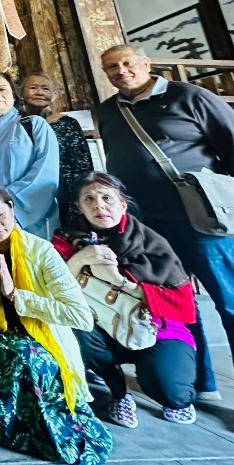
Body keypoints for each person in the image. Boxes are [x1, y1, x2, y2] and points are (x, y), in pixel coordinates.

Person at [96, 43, 234, 437]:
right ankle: (200, 381)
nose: (121, 71)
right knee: (176, 304)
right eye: (112, 67)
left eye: (128, 63)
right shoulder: (109, 111)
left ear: (146, 63)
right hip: (150, 227)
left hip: (204, 221)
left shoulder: (189, 97)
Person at [0, 177, 110, 464]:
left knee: (29, 358)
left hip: (38, 337)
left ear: (11, 207)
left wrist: (15, 295)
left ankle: (39, 432)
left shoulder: (41, 251)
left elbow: (80, 316)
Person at [53, 173, 198, 428]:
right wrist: (80, 259)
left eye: (107, 198)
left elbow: (182, 303)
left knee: (174, 395)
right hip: (101, 326)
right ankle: (119, 392)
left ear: (123, 204)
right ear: (79, 207)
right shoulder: (67, 239)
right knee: (74, 329)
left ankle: (163, 380)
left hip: (154, 326)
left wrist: (123, 282)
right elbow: (52, 290)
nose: (99, 205)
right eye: (89, 199)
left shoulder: (151, 242)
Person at [0, 71, 60, 239]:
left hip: (33, 212)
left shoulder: (33, 124)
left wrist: (4, 202)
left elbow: (45, 170)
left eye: (2, 89)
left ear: (14, 95)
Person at [22, 73, 93, 228]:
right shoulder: (18, 125)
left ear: (53, 95)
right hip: (29, 193)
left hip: (64, 191)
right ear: (21, 94)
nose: (39, 92)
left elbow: (82, 164)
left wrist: (80, 198)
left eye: (45, 88)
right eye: (33, 88)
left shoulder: (68, 123)